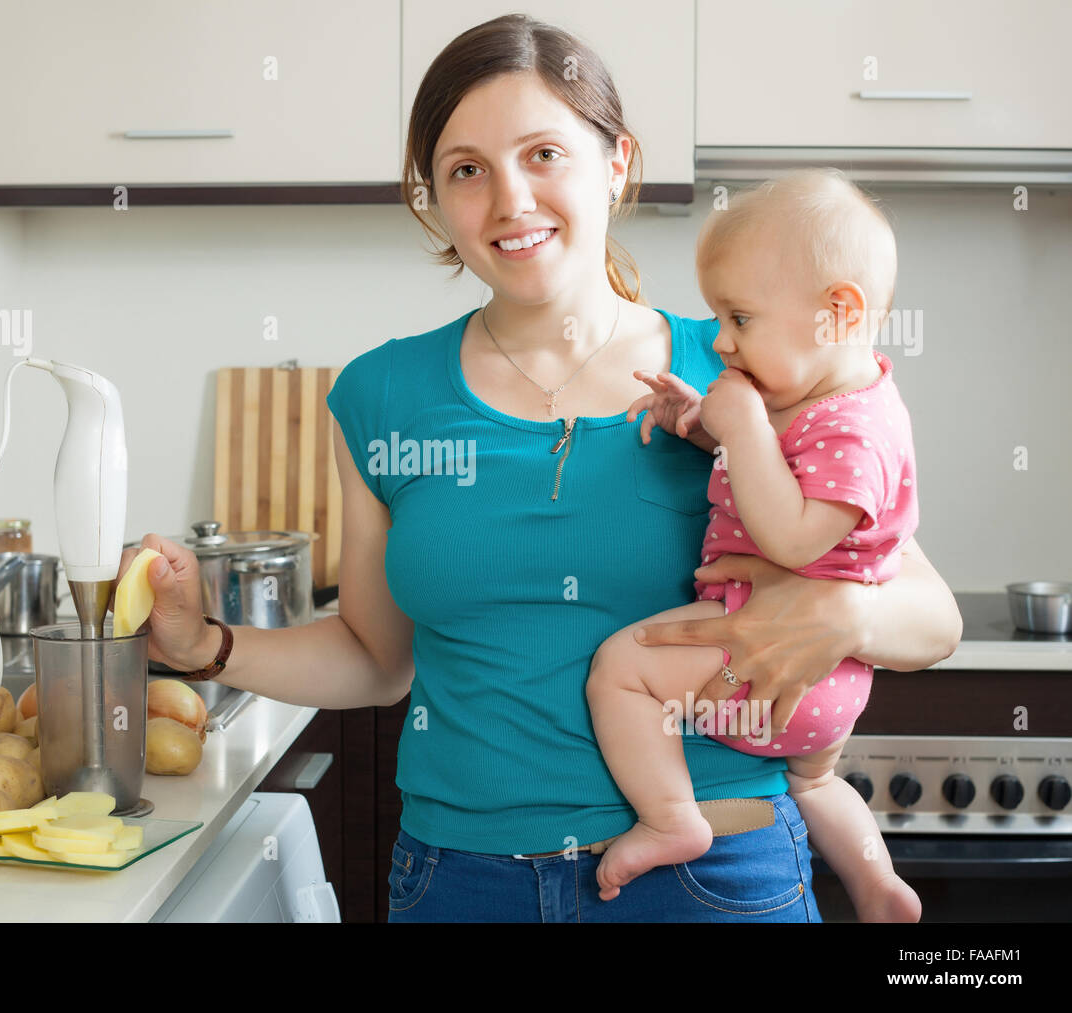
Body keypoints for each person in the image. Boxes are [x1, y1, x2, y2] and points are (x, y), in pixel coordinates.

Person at [116, 14, 961, 922]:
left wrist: (845, 608)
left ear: (617, 162)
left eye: (544, 154)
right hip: (460, 882)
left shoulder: (743, 371)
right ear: (434, 198)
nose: (510, 200)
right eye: (466, 170)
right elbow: (374, 661)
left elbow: (932, 617)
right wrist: (207, 647)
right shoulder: (382, 395)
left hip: (715, 877)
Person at [586, 168, 922, 922]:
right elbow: (770, 464)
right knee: (814, 783)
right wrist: (703, 421)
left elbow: (796, 537)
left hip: (772, 664)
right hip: (826, 691)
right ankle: (875, 883)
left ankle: (671, 817)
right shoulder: (824, 399)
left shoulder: (857, 428)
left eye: (739, 317)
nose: (721, 339)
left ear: (838, 314)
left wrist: (737, 426)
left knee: (620, 672)